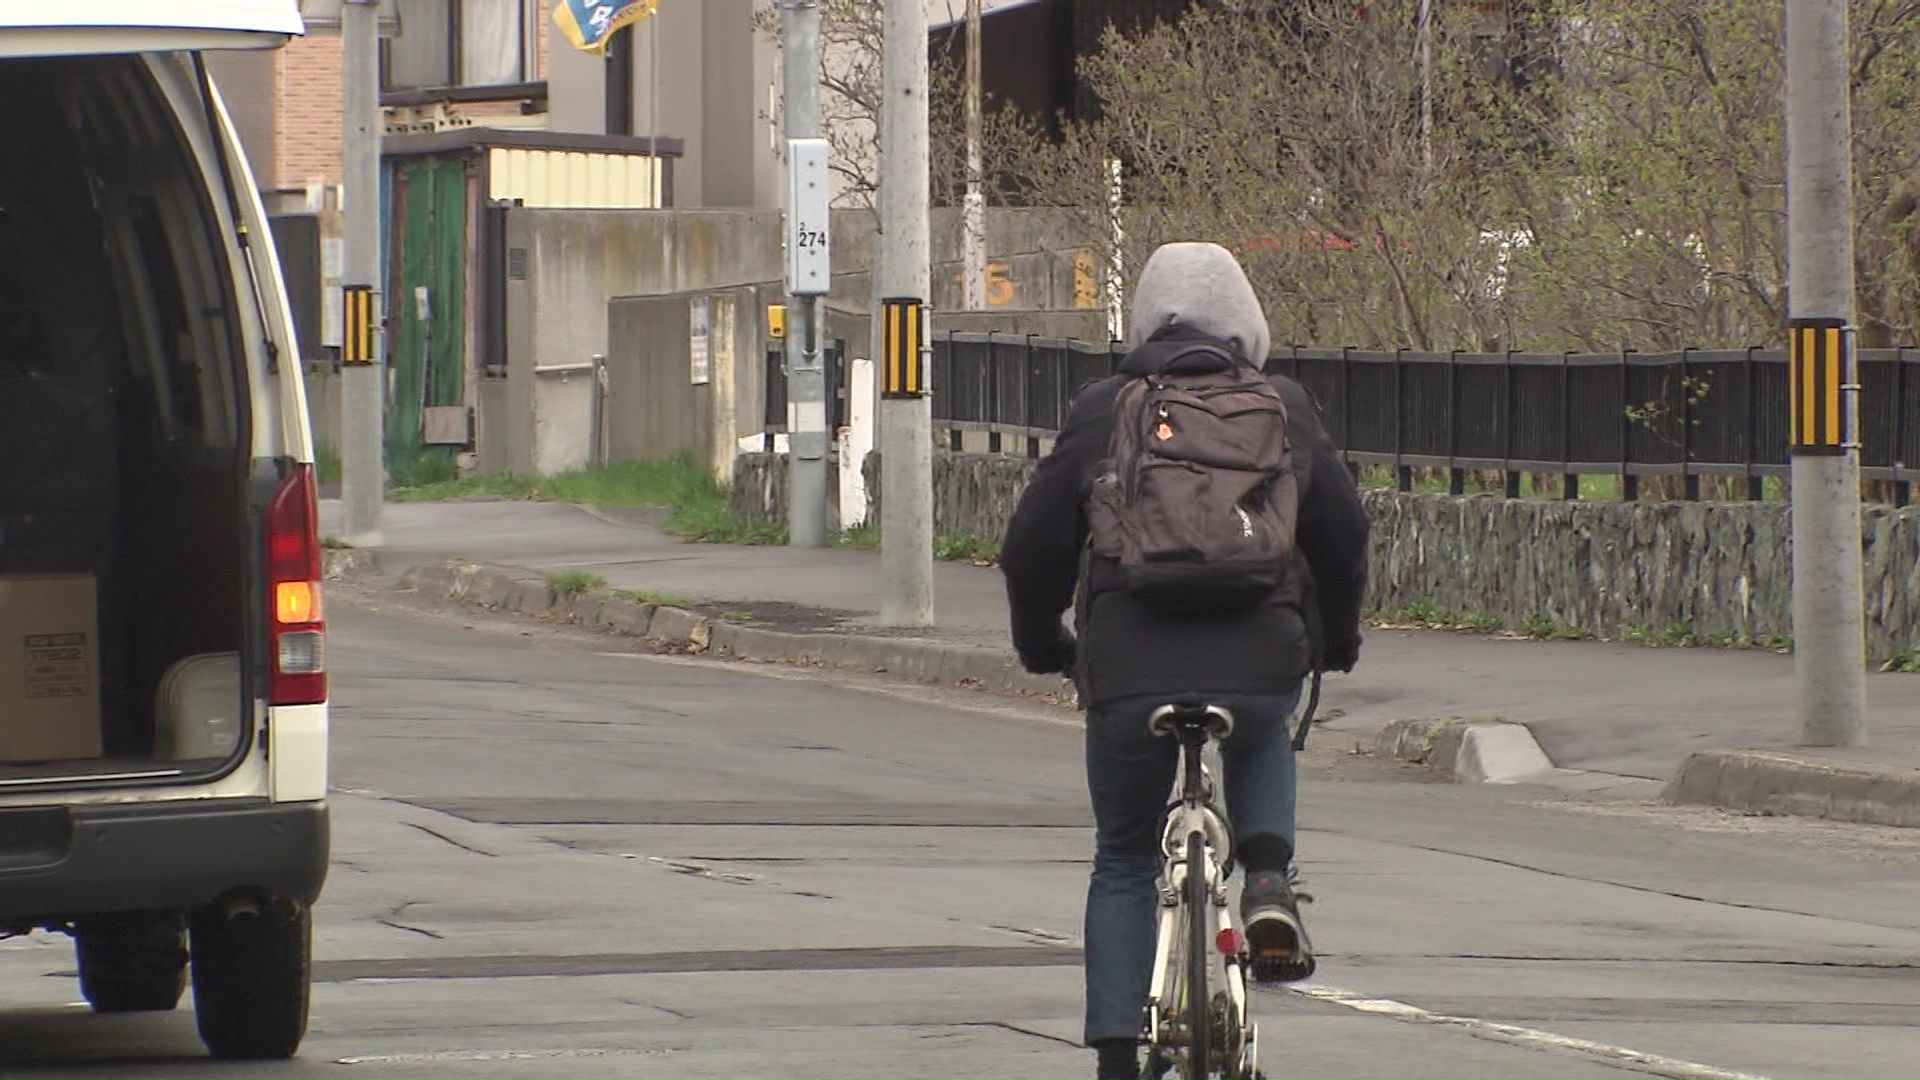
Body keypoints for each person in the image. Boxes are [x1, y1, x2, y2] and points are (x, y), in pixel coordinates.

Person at [1000, 242, 1369, 1080]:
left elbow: (1031, 547)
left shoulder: (1108, 406)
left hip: (1130, 668)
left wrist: (1042, 645)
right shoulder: (1283, 405)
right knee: (1263, 729)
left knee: (1126, 856)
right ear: (1249, 324)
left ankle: (1117, 1057)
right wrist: (1333, 643)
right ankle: (1268, 880)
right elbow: (1344, 542)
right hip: (1260, 653)